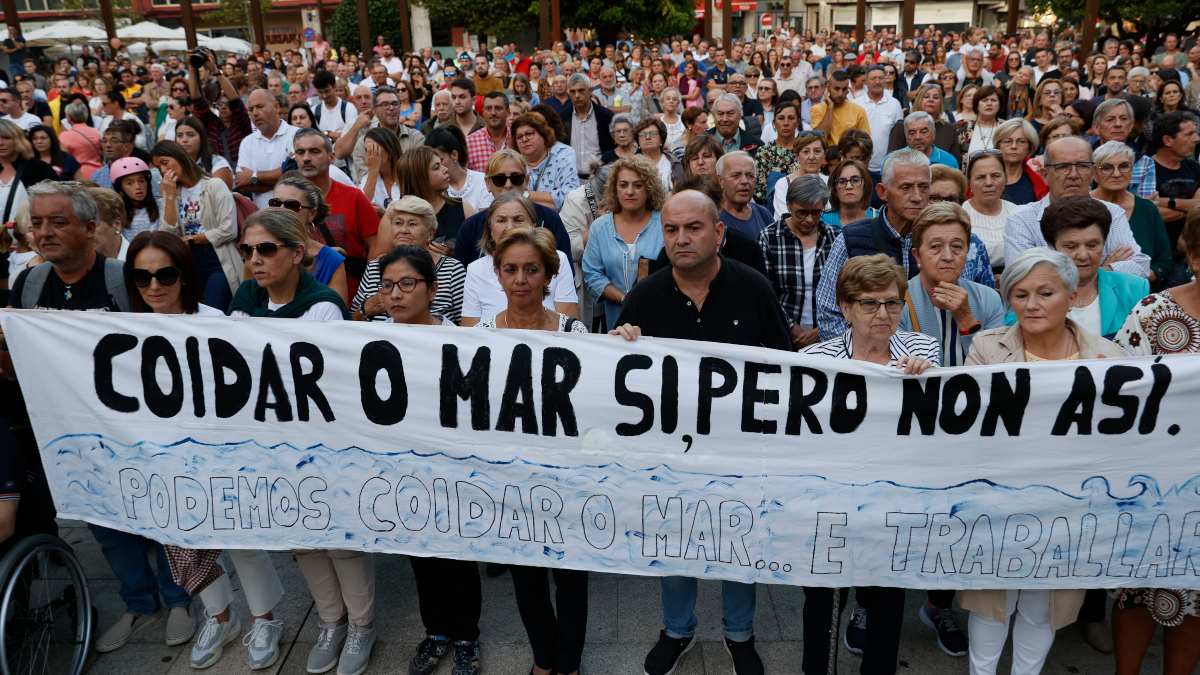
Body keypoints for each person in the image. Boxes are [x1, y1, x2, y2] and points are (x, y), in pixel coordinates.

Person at [610, 189, 790, 675]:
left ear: (719, 233)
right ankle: (677, 629)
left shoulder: (753, 288)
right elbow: (615, 378)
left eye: (693, 228)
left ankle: (740, 634)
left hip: (740, 449)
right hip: (669, 454)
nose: (681, 238)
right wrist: (618, 345)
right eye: (671, 229)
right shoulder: (644, 296)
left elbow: (783, 366)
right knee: (673, 539)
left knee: (739, 540)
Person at [962, 247, 1125, 675]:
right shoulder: (986, 349)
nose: (1031, 305)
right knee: (992, 603)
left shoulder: (1112, 358)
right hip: (998, 500)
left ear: (1071, 296)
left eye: (1045, 293)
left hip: (1071, 506)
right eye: (1019, 294)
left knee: (1044, 604)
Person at [473, 225, 588, 673]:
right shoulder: (478, 335)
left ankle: (569, 660)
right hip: (509, 477)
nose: (520, 279)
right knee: (527, 576)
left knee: (573, 575)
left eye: (530, 270)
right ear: (498, 275)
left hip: (566, 473)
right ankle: (544, 657)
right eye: (511, 269)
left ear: (548, 276)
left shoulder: (575, 332)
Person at [1111, 209, 1200, 673]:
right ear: (1195, 255)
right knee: (1138, 593)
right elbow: (1118, 390)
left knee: (1197, 599)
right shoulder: (1153, 313)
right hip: (1154, 483)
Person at [816, 149, 995, 339]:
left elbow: (979, 302)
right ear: (883, 192)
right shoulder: (852, 239)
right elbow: (829, 312)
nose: (917, 196)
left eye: (924, 187)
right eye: (906, 187)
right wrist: (865, 357)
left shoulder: (952, 242)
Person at [1005, 136, 1150, 280]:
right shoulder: (1022, 219)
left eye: (1082, 166)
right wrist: (1102, 271)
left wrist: (1095, 272)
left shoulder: (1112, 213)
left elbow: (1140, 266)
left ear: (1093, 172)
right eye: (1063, 167)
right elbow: (1022, 277)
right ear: (1045, 175)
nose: (1074, 175)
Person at [899, 201, 1006, 365]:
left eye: (957, 246)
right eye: (936, 246)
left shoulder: (988, 299)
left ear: (967, 252)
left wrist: (967, 321)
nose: (948, 256)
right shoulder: (897, 300)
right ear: (917, 256)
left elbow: (997, 369)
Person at [1032, 196, 1149, 339]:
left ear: (1104, 243)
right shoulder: (1031, 292)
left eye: (1092, 245)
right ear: (1052, 247)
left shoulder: (1134, 288)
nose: (1082, 255)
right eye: (1071, 246)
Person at [461, 192, 578, 326]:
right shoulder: (475, 269)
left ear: (533, 225)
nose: (510, 227)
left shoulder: (559, 259)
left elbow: (570, 331)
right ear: (490, 229)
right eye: (501, 220)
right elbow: (470, 336)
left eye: (518, 219)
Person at [151, 140, 241, 312]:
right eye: (158, 167)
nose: (163, 170)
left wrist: (192, 239)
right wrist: (169, 198)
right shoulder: (173, 193)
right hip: (189, 261)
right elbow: (168, 235)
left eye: (165, 162)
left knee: (212, 310)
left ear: (179, 156)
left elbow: (229, 229)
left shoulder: (214, 185)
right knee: (193, 312)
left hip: (217, 258)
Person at [291, 127, 379, 298]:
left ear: (331, 157)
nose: (306, 158)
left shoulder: (354, 197)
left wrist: (368, 292)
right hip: (300, 296)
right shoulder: (285, 201)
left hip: (351, 296)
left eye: (314, 151)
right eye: (300, 152)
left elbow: (376, 247)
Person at [352, 196, 466, 324]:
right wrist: (366, 308)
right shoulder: (374, 268)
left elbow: (465, 325)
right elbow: (352, 321)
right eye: (398, 223)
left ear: (430, 233)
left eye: (412, 224)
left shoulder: (452, 270)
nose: (403, 230)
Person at [452, 148, 573, 267]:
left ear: (526, 181)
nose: (508, 185)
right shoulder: (471, 227)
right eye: (499, 179)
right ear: (488, 183)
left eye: (516, 178)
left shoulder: (550, 219)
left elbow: (563, 270)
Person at [582, 156, 664, 329]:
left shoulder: (665, 224)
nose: (630, 191)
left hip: (660, 321)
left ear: (649, 188)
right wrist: (625, 299)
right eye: (623, 185)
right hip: (616, 324)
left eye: (638, 185)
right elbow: (592, 274)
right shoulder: (599, 227)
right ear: (615, 189)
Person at [760, 175, 836, 349]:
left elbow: (842, 291)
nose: (809, 219)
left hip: (827, 339)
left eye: (816, 213)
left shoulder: (833, 237)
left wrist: (820, 330)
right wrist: (791, 326)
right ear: (788, 206)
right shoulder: (770, 238)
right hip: (782, 336)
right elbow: (765, 291)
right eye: (802, 212)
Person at [1091, 140, 1173, 290]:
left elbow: (1164, 262)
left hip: (1141, 293)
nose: (1116, 174)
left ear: (1132, 170)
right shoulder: (1082, 207)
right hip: (1094, 292)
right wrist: (1106, 269)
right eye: (1107, 167)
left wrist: (1130, 273)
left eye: (1123, 166)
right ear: (1095, 174)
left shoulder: (1147, 208)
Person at [272, 173, 349, 303]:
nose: (281, 211)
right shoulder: (256, 252)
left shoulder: (331, 261)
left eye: (292, 206)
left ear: (312, 214)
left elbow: (336, 318)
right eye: (275, 203)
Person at [334, 85, 425, 185]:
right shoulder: (364, 142)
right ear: (375, 110)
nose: (391, 108)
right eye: (385, 104)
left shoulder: (415, 137)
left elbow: (418, 173)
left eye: (395, 104)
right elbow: (366, 180)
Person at [236, 89, 298, 209]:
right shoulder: (247, 143)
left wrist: (253, 177)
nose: (255, 113)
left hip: (292, 216)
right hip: (261, 219)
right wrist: (281, 179)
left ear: (276, 107)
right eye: (251, 109)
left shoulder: (297, 135)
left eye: (259, 107)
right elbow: (242, 183)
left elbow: (295, 174)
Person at [963, 150, 1017, 273]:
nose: (988, 183)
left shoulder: (1018, 214)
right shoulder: (960, 216)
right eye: (980, 177)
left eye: (995, 176)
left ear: (1006, 179)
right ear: (969, 182)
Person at [512, 112, 579, 210]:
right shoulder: (513, 162)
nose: (524, 139)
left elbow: (570, 195)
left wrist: (525, 195)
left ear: (543, 134)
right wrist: (550, 201)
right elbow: (506, 198)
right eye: (519, 137)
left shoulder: (562, 154)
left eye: (529, 134)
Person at [559, 73, 616, 178]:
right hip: (571, 178)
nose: (577, 95)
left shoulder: (606, 117)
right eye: (572, 91)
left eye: (581, 90)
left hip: (600, 178)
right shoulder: (562, 118)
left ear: (590, 91)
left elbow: (613, 148)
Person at [426, 125, 492, 212]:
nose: (439, 167)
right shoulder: (434, 188)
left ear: (454, 155)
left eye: (440, 160)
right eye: (433, 164)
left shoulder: (482, 181)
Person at [858, 65, 905, 177]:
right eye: (873, 78)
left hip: (888, 167)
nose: (877, 82)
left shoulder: (894, 104)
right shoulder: (856, 104)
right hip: (862, 167)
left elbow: (899, 135)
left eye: (880, 78)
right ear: (866, 82)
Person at [717, 150, 774, 241]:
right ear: (720, 181)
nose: (744, 181)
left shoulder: (764, 214)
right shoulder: (712, 218)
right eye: (736, 175)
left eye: (750, 175)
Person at [753, 100, 801, 203]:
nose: (786, 123)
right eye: (781, 118)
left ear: (798, 123)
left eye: (791, 118)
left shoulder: (805, 150)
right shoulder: (764, 152)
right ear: (774, 123)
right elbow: (759, 192)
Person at [771, 132, 827, 217]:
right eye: (806, 152)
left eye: (817, 151)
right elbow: (784, 219)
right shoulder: (783, 185)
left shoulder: (830, 182)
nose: (811, 157)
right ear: (797, 155)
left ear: (824, 155)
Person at [993, 118, 1046, 206]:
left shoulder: (1039, 182)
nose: (1014, 146)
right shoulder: (983, 175)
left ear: (1029, 148)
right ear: (998, 146)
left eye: (1021, 141)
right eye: (1007, 141)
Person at [810, 70, 869, 145]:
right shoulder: (817, 109)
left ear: (848, 90)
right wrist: (830, 108)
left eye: (844, 89)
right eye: (837, 89)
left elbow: (865, 140)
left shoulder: (858, 110)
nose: (840, 94)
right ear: (828, 88)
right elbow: (820, 137)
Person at [175, 115, 233, 188]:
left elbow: (220, 196)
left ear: (201, 138)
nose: (184, 140)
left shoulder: (218, 163)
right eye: (179, 136)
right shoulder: (174, 164)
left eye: (191, 135)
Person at [111, 156, 162, 240]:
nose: (138, 186)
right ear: (120, 188)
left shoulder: (160, 205)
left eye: (141, 181)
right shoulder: (116, 213)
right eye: (129, 183)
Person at [358, 126, 404, 211]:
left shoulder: (409, 175)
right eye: (366, 150)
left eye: (374, 149)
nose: (369, 154)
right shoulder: (368, 178)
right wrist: (373, 171)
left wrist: (384, 215)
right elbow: (361, 209)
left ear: (390, 151)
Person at [823, 158, 876, 229]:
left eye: (855, 180)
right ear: (835, 188)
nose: (849, 186)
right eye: (842, 181)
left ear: (865, 185)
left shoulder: (879, 219)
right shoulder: (822, 220)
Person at [466, 91, 511, 172]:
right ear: (483, 112)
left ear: (508, 111)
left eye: (498, 108)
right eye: (488, 108)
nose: (493, 113)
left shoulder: (517, 138)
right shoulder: (469, 142)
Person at [58, 100, 103, 180]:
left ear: (69, 117)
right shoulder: (96, 132)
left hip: (79, 175)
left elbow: (63, 160)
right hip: (100, 173)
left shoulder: (64, 136)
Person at [633, 117, 675, 190]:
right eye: (643, 134)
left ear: (661, 139)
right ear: (638, 141)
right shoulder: (630, 164)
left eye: (653, 134)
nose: (648, 137)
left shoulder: (674, 163)